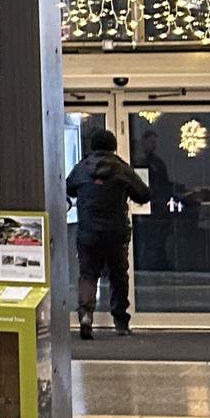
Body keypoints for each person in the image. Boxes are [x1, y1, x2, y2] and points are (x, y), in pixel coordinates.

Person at [65, 130, 151, 338]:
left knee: (88, 274)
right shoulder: (121, 168)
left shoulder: (81, 168)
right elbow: (144, 194)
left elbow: (69, 189)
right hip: (115, 231)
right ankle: (121, 322)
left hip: (88, 232)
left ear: (92, 146)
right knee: (118, 275)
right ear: (113, 146)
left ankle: (86, 315)